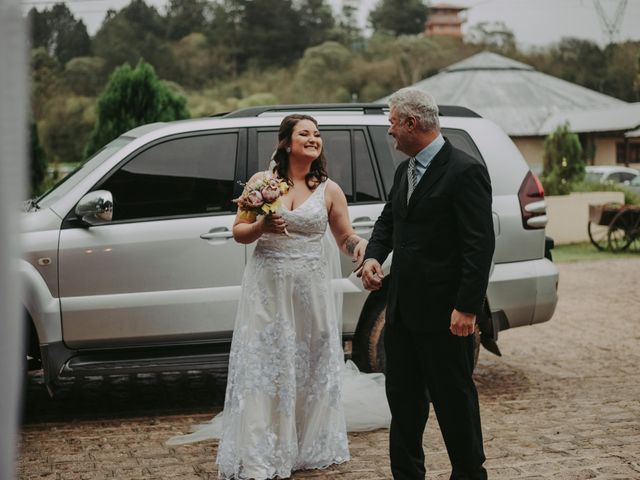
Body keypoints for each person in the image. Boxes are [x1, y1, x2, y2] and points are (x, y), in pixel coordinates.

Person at [168, 114, 391, 479]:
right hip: (268, 287)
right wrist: (261, 225)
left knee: (308, 362)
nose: (314, 139)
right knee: (266, 361)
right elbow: (239, 231)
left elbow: (344, 237)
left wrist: (363, 250)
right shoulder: (261, 183)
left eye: (317, 134)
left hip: (309, 290)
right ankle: (262, 447)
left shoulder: (329, 190)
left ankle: (304, 442)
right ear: (287, 142)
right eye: (305, 133)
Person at [359, 88, 495, 480]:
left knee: (454, 402)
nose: (390, 131)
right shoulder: (406, 170)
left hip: (446, 315)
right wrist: (372, 256)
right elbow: (389, 222)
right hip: (401, 312)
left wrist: (468, 307)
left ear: (411, 123)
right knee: (403, 404)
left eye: (392, 123)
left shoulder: (465, 170)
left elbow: (478, 244)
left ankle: (470, 474)